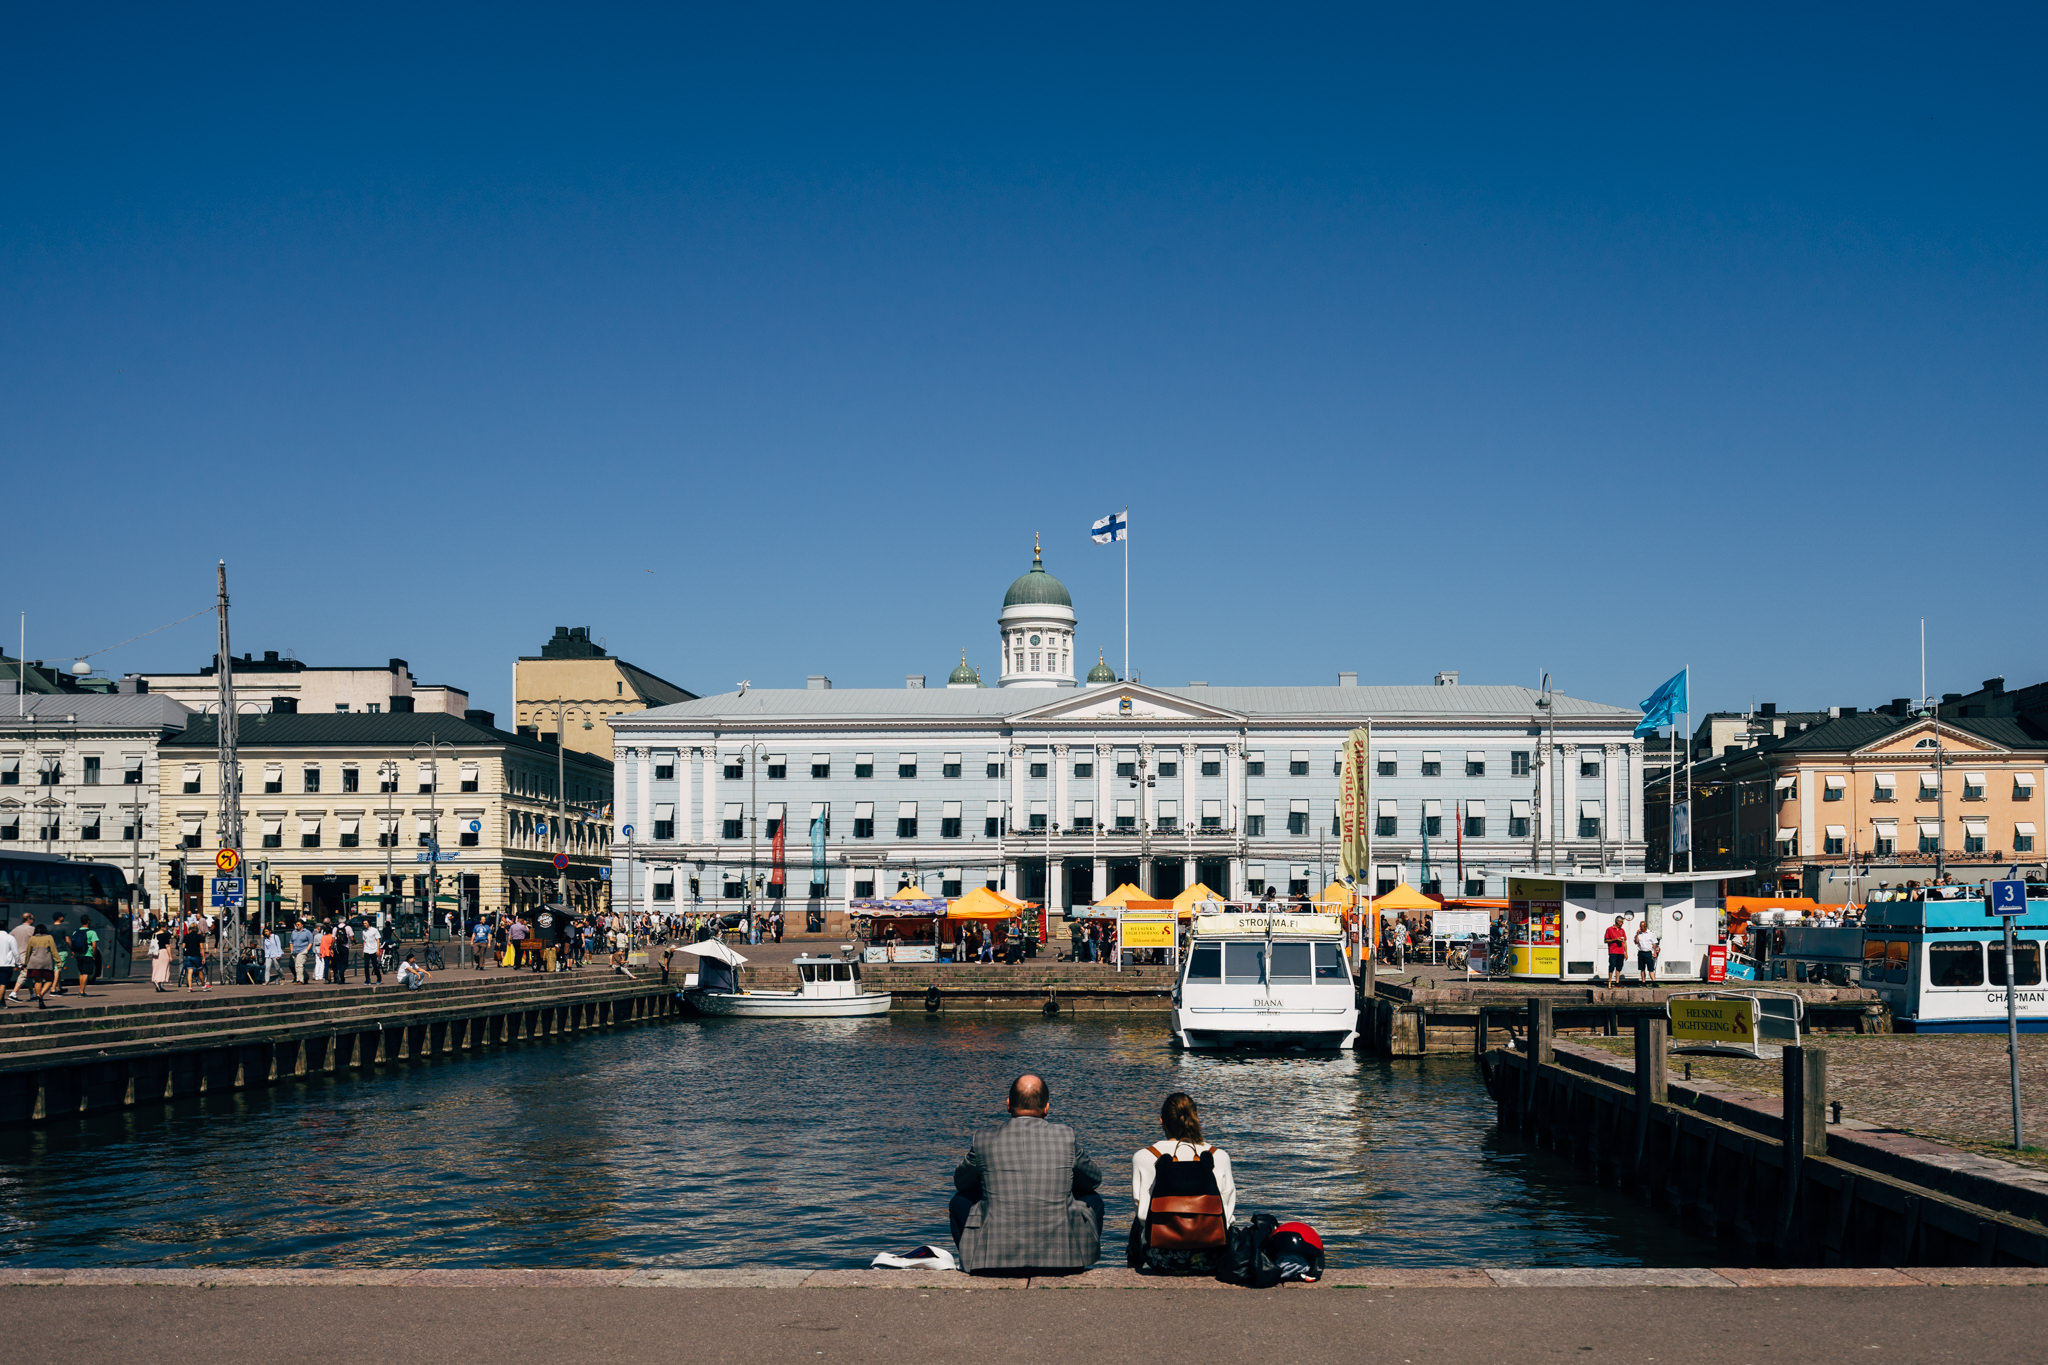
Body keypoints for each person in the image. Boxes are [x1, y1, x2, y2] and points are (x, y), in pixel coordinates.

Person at [949, 1074, 1103, 1275]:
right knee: (1094, 1199)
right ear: (1047, 1107)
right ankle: (1077, 1256)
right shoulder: (1066, 1136)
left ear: (1008, 1105)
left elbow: (961, 1182)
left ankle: (976, 1258)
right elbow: (1094, 1179)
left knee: (958, 1201)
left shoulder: (984, 1139)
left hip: (992, 1260)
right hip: (1062, 1261)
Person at [1129, 1093, 1236, 1275]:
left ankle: (1133, 1269)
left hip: (1162, 1257)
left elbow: (1142, 1212)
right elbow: (1228, 1210)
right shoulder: (1219, 1156)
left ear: (1162, 1122)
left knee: (1140, 1217)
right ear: (1195, 1118)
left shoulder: (1143, 1156)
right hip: (1212, 1254)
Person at [24, 922, 60, 1008]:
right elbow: (54, 950)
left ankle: (38, 995)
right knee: (50, 980)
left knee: (37, 981)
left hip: (34, 962)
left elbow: (28, 951)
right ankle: (40, 995)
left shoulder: (32, 938)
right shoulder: (49, 937)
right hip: (46, 963)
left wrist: (25, 963)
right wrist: (58, 962)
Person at [182, 917, 209, 991]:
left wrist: (187, 947)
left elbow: (183, 946)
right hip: (196, 955)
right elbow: (202, 947)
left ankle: (190, 987)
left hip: (188, 955)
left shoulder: (186, 936)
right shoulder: (199, 937)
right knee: (200, 970)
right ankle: (203, 986)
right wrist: (203, 957)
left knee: (189, 971)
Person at [1603, 915, 1629, 988]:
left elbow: (1624, 942)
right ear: (1618, 921)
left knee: (1619, 967)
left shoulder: (1622, 930)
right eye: (1621, 922)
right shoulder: (1609, 929)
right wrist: (1615, 940)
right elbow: (1606, 940)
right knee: (1612, 966)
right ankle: (1610, 981)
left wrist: (1625, 952)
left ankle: (1617, 982)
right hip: (1613, 951)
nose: (1622, 923)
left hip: (1621, 952)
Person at [1635, 921, 1660, 986]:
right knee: (1642, 968)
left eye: (1642, 926)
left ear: (1645, 926)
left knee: (1651, 968)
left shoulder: (1651, 933)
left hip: (1648, 952)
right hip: (1641, 952)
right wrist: (1637, 934)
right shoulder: (1639, 934)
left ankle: (1653, 981)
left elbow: (1654, 943)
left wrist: (1654, 952)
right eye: (1640, 926)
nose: (1640, 928)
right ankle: (1643, 982)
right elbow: (1636, 942)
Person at [360, 918, 383, 984]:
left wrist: (377, 949)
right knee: (366, 966)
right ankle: (367, 980)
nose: (365, 925)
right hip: (367, 950)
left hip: (374, 950)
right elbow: (364, 941)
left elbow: (378, 940)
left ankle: (379, 978)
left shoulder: (374, 930)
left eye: (366, 923)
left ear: (369, 923)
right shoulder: (364, 931)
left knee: (375, 966)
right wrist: (363, 951)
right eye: (364, 923)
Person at [0, 926, 18, 1008]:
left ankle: (2, 1002)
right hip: (6, 964)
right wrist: (19, 963)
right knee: (3, 984)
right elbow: (15, 952)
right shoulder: (10, 938)